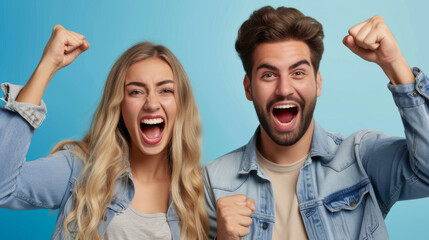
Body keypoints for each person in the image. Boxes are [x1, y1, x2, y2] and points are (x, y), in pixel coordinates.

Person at [203, 6, 429, 240]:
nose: (284, 89)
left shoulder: (361, 159)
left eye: (298, 73)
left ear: (318, 83)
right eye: (268, 75)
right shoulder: (213, 182)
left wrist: (394, 64)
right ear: (249, 88)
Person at [0, 25, 208, 240]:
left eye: (165, 90)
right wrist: (47, 66)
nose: (152, 103)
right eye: (136, 92)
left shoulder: (198, 191)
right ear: (118, 105)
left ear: (181, 104)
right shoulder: (80, 171)